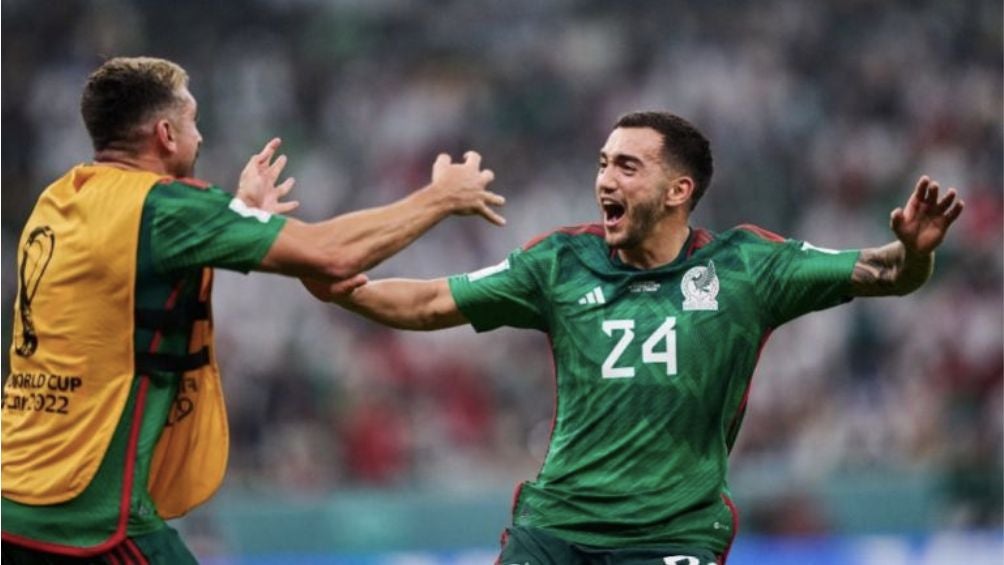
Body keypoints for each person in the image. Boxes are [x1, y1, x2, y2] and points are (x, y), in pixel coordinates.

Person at [310, 111, 965, 565]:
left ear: (678, 189)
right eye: (602, 164)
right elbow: (427, 302)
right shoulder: (559, 262)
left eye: (627, 166)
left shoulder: (748, 266)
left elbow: (885, 272)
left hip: (672, 528)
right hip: (557, 526)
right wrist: (341, 285)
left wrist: (913, 253)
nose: (604, 180)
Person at [1, 56, 504, 564]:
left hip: (16, 489)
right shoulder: (163, 208)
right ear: (166, 134)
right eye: (194, 122)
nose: (201, 138)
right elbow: (333, 254)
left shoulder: (61, 199)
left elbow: (136, 280)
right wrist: (440, 198)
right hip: (84, 514)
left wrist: (239, 220)